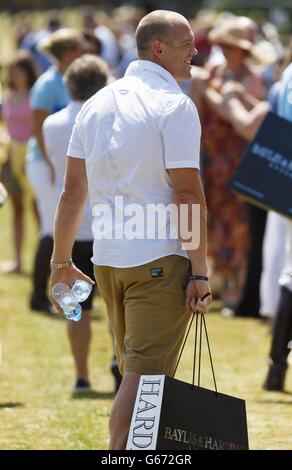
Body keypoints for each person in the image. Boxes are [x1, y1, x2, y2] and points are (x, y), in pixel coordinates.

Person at [50, 10, 212, 449]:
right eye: (186, 45)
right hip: (158, 258)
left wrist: (61, 263)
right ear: (158, 49)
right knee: (143, 381)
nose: (195, 52)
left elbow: (71, 193)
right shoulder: (175, 105)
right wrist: (199, 271)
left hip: (108, 261)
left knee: (140, 379)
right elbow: (187, 195)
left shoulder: (96, 104)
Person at [43, 54, 121, 393]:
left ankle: (81, 376)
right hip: (107, 225)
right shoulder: (113, 121)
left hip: (71, 229)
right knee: (117, 308)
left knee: (78, 309)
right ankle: (120, 364)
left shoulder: (51, 124)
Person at [190, 16, 265, 311]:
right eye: (223, 46)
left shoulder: (252, 77)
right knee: (216, 221)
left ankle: (236, 289)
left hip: (238, 160)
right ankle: (219, 284)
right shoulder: (216, 70)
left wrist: (207, 90)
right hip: (213, 158)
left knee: (237, 225)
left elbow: (232, 115)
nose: (226, 51)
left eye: (232, 47)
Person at [26, 28, 82, 313]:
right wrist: (51, 165)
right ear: (68, 52)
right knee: (52, 228)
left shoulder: (66, 80)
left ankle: (53, 294)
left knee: (56, 228)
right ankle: (39, 295)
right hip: (43, 162)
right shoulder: (48, 84)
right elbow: (37, 129)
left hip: (57, 162)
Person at [1, 51, 39, 273]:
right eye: (12, 72)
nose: (15, 76)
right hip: (11, 157)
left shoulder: (36, 96)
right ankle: (17, 260)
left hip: (30, 157)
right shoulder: (7, 96)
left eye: (19, 71)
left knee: (37, 210)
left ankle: (45, 260)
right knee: (16, 209)